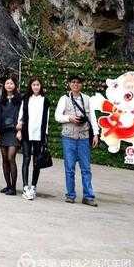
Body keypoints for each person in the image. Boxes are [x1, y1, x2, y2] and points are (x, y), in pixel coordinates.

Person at [54, 74, 99, 206]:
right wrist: (69, 118)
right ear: (69, 84)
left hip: (84, 137)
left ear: (81, 84)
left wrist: (95, 134)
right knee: (69, 168)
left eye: (78, 82)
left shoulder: (87, 99)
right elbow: (57, 116)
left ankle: (88, 196)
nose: (75, 84)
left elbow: (92, 118)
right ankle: (70, 195)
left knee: (86, 168)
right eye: (73, 82)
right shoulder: (64, 99)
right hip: (68, 137)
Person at [17, 77, 50, 201]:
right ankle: (25, 187)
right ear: (30, 86)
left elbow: (46, 120)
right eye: (33, 84)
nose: (36, 87)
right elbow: (20, 115)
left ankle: (33, 186)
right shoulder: (25, 98)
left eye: (38, 84)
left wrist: (45, 135)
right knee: (26, 158)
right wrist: (19, 130)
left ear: (41, 86)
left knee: (37, 161)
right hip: (26, 132)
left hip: (39, 135)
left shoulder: (45, 100)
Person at [0, 76, 22, 195]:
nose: (9, 85)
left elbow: (22, 115)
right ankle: (8, 185)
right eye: (7, 83)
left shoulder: (19, 99)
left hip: (14, 132)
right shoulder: (0, 99)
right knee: (4, 159)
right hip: (3, 132)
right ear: (4, 85)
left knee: (11, 157)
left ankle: (13, 187)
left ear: (15, 85)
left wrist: (20, 130)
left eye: (11, 83)